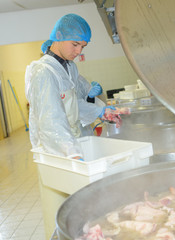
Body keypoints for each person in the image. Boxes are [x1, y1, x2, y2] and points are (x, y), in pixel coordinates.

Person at [25, 13, 128, 160]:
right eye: (75, 44)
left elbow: (73, 103)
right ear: (59, 36)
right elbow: (50, 121)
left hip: (72, 140)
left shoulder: (69, 67)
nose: (79, 51)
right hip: (56, 149)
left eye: (83, 46)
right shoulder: (44, 72)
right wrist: (71, 153)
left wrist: (100, 111)